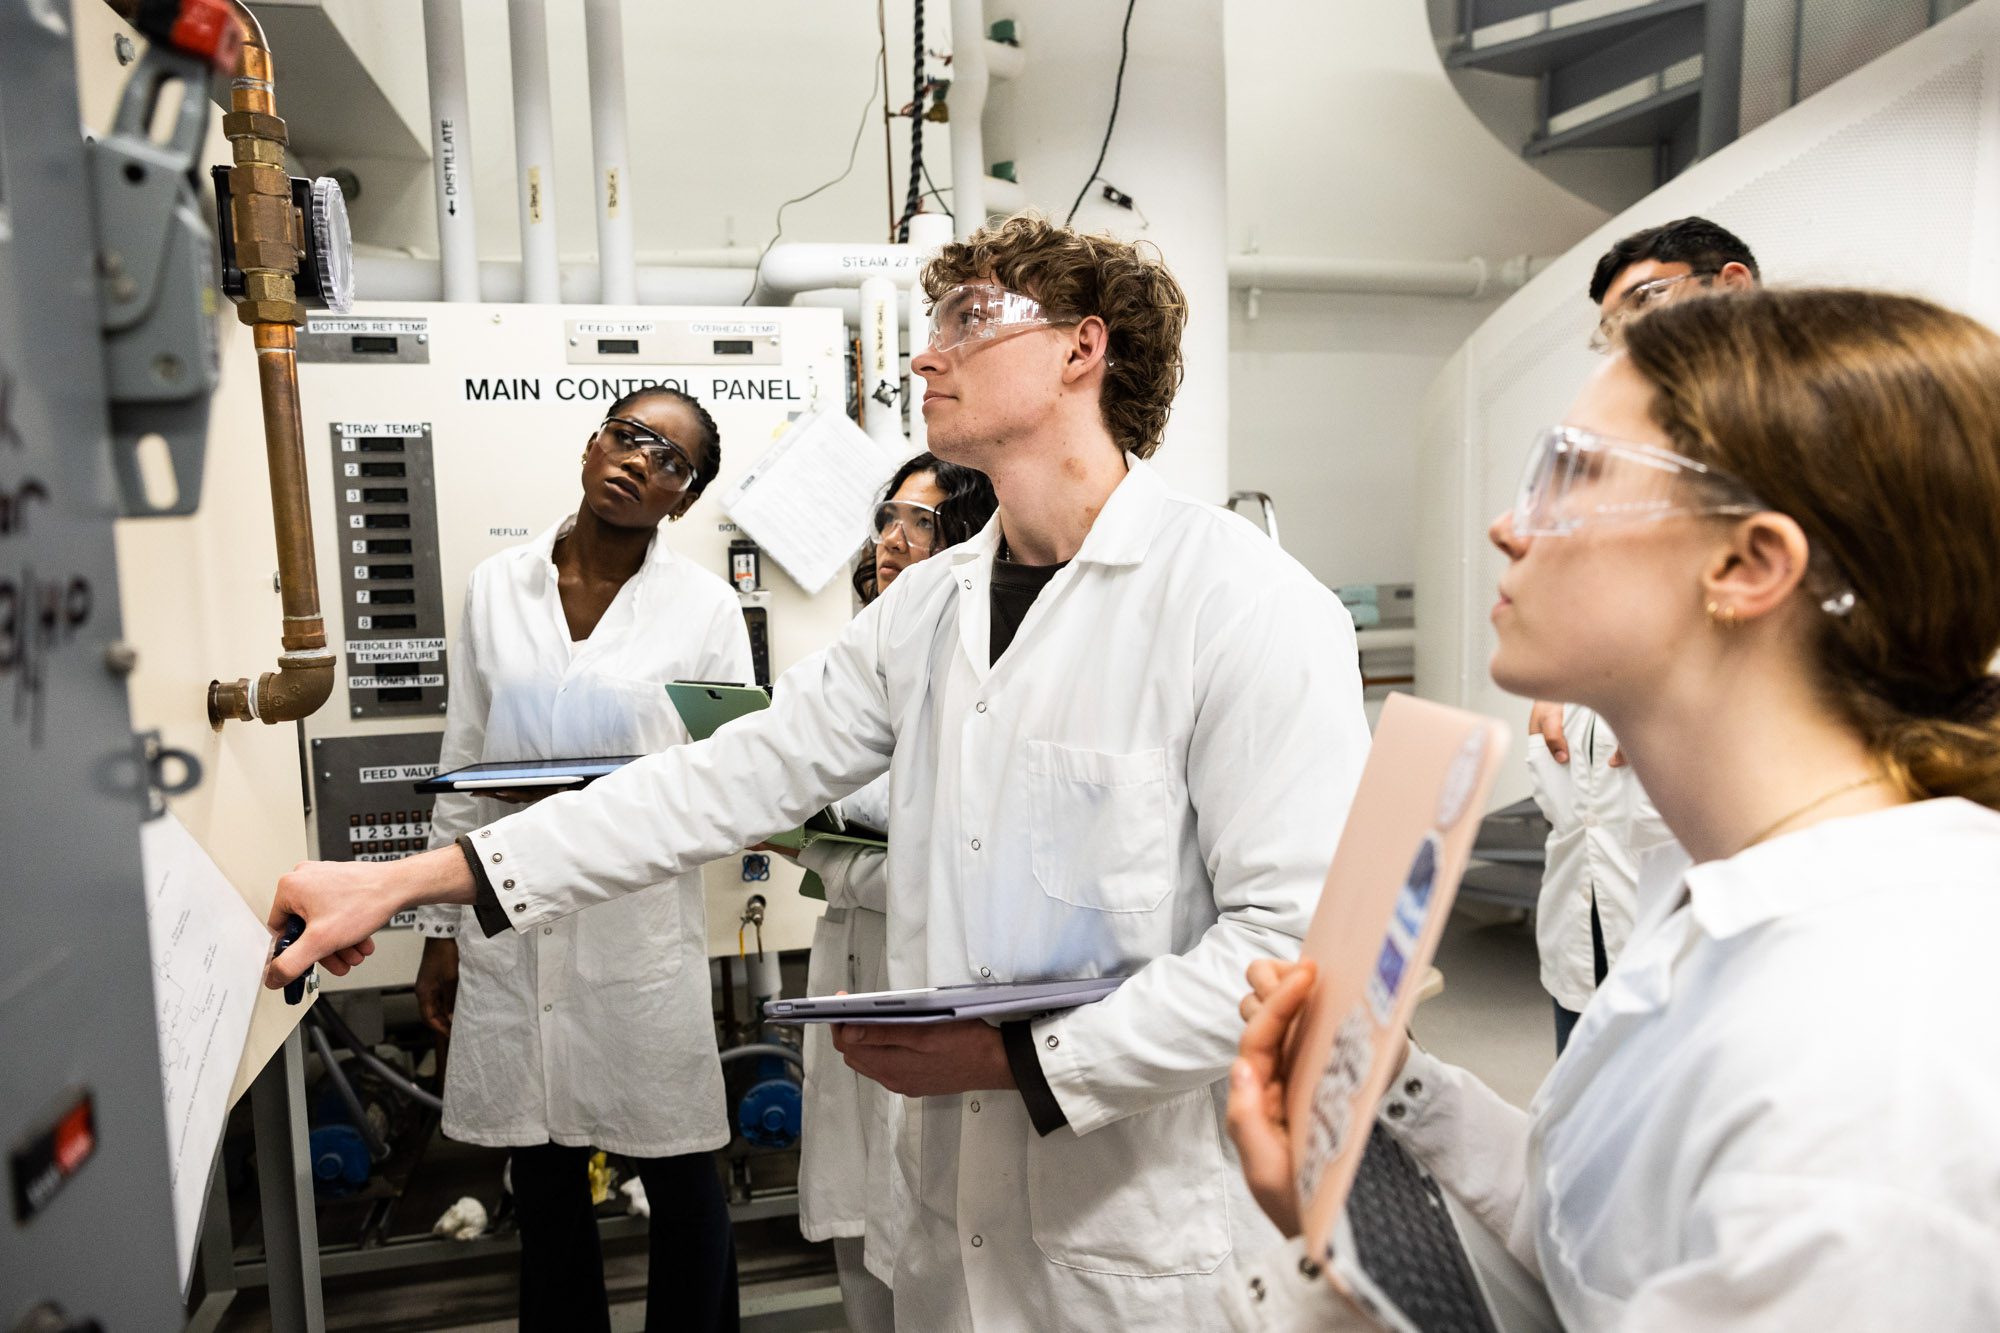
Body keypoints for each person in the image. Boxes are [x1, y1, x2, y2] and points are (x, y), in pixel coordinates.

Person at [264, 213, 1373, 1332]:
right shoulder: (930, 613)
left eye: (968, 319)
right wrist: (409, 881)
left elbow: (1293, 946)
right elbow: (715, 779)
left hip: (1144, 1241)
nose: (923, 352)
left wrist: (1018, 1059)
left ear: (1082, 350)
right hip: (951, 1226)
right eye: (932, 321)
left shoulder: (1245, 606)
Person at [1227, 287, 2000, 1328]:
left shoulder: (1872, 1052)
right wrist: (1389, 1093)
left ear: (1746, 563)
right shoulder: (1731, 896)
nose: (1507, 525)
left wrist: (1320, 1285)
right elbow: (1594, 1243)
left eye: (1570, 474)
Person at [411, 387, 749, 1333]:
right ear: (594, 441)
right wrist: (441, 928)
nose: (641, 459)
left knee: (682, 1167)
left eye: (670, 460)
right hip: (511, 913)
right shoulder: (496, 587)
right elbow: (463, 758)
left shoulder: (705, 608)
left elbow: (727, 775)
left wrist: (608, 803)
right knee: (546, 1173)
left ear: (681, 500)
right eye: (629, 434)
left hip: (634, 922)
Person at [1534, 216, 1759, 1050]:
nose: (1628, 336)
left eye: (1649, 300)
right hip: (1594, 862)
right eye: (1613, 324)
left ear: (1730, 286)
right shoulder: (1630, 450)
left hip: (1713, 896)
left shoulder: (1807, 447)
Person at [794, 452, 997, 1332]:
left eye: (918, 521)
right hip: (846, 955)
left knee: (925, 1223)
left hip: (931, 978)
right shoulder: (848, 648)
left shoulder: (982, 653)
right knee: (855, 1219)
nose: (891, 538)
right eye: (887, 517)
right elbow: (814, 795)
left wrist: (836, 839)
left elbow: (932, 823)